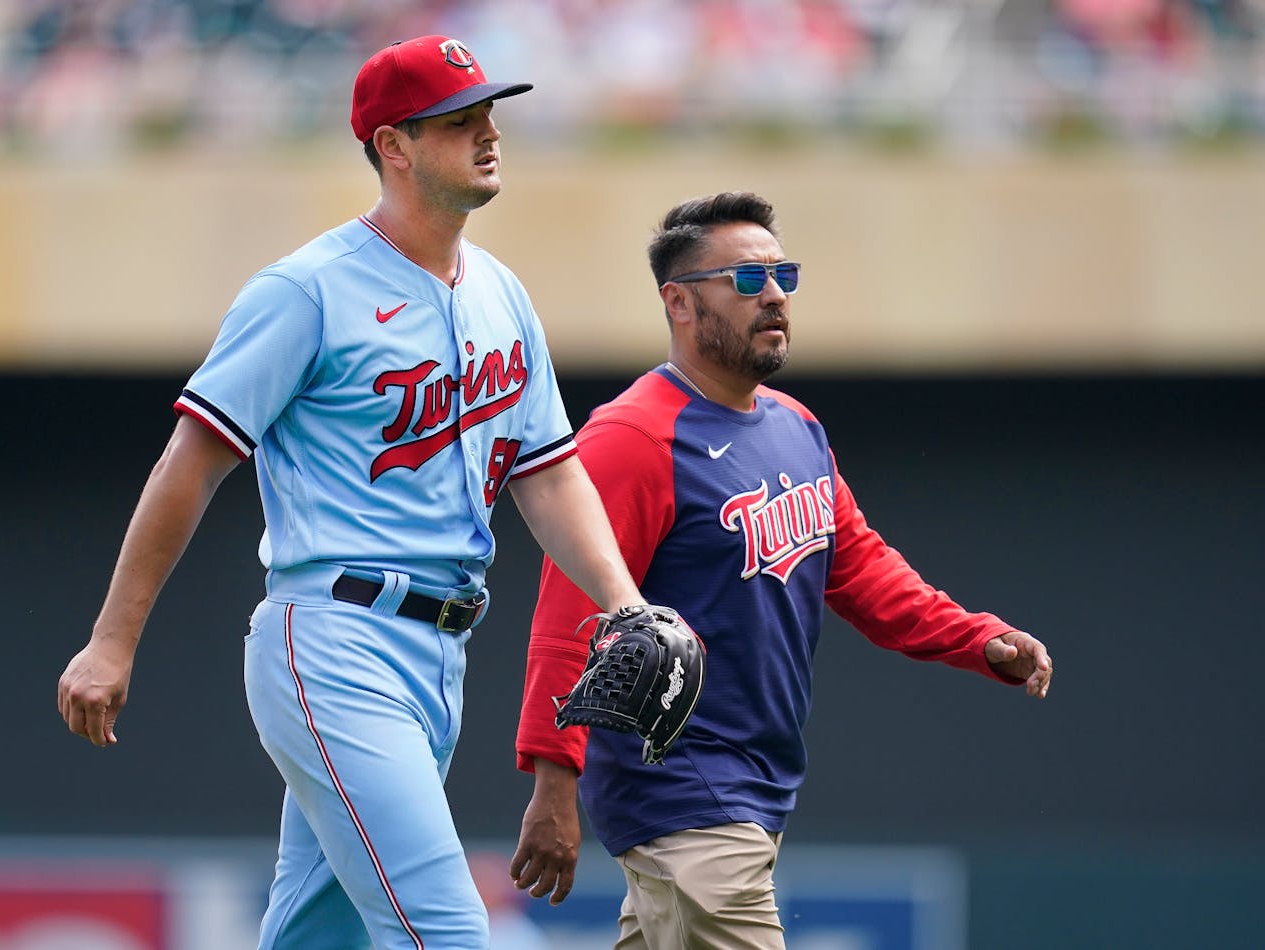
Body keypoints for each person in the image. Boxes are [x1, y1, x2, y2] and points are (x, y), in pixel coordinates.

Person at [57, 35, 645, 950]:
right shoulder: (308, 290)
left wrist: (626, 606)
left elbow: (548, 472)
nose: (489, 134)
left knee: (317, 936)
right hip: (335, 641)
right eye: (459, 121)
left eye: (489, 114)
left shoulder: (500, 291)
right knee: (447, 932)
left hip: (441, 655)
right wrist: (110, 641)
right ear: (393, 146)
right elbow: (192, 459)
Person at [509, 191, 1054, 949]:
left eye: (782, 274)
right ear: (679, 303)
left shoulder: (794, 426)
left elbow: (861, 567)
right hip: (682, 787)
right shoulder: (633, 437)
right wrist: (553, 780)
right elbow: (570, 615)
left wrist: (975, 638)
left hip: (751, 788)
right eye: (744, 279)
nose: (772, 294)